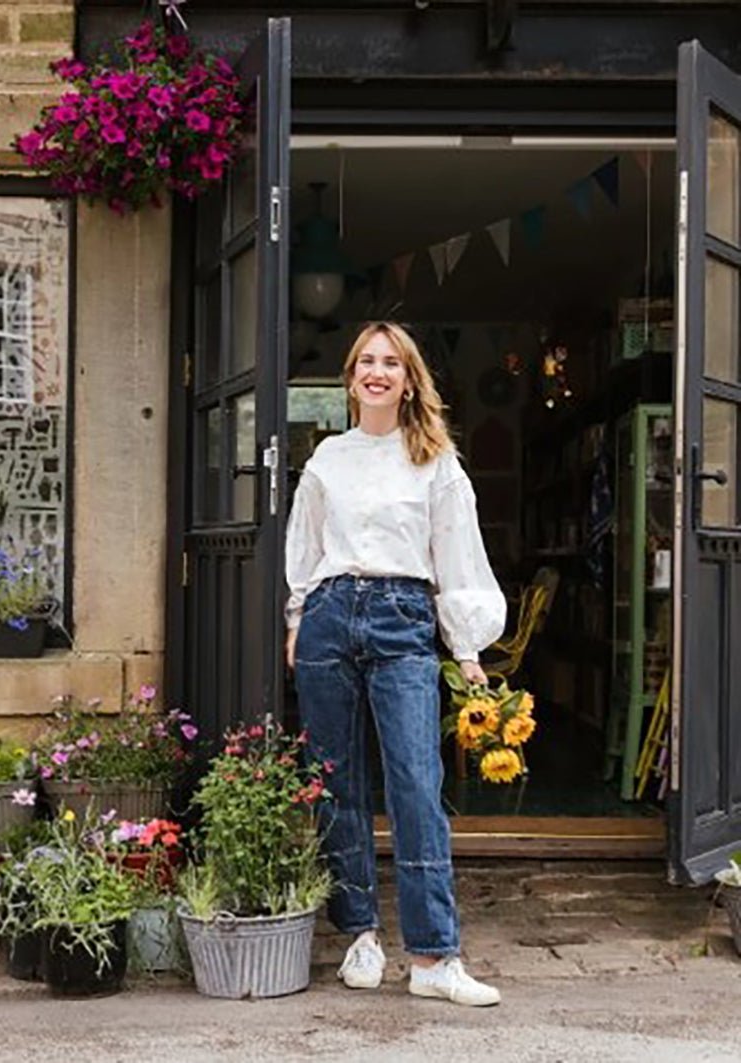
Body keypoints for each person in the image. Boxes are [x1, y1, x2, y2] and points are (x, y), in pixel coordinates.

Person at [285, 321, 506, 1007]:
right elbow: (304, 542)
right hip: (328, 613)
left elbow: (455, 552)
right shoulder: (327, 457)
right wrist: (296, 619)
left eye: (390, 363)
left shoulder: (434, 459)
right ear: (350, 378)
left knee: (415, 781)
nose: (376, 372)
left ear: (408, 379)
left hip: (402, 614)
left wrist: (465, 647)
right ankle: (359, 935)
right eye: (365, 362)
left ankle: (434, 954)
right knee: (336, 781)